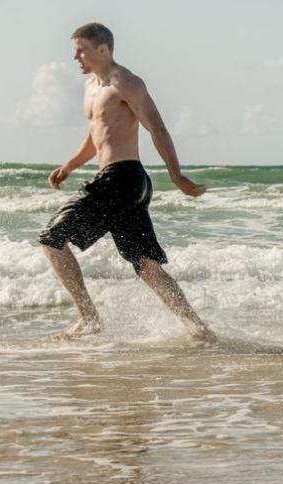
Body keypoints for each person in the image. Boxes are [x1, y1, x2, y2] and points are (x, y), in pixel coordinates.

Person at [40, 22, 215, 342]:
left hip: (122, 178)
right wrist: (69, 166)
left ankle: (88, 319)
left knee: (52, 239)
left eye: (81, 50)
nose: (75, 57)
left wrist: (175, 175)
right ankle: (198, 329)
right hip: (125, 183)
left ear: (102, 49)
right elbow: (96, 136)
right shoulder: (91, 87)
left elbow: (157, 129)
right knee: (146, 265)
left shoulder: (126, 83)